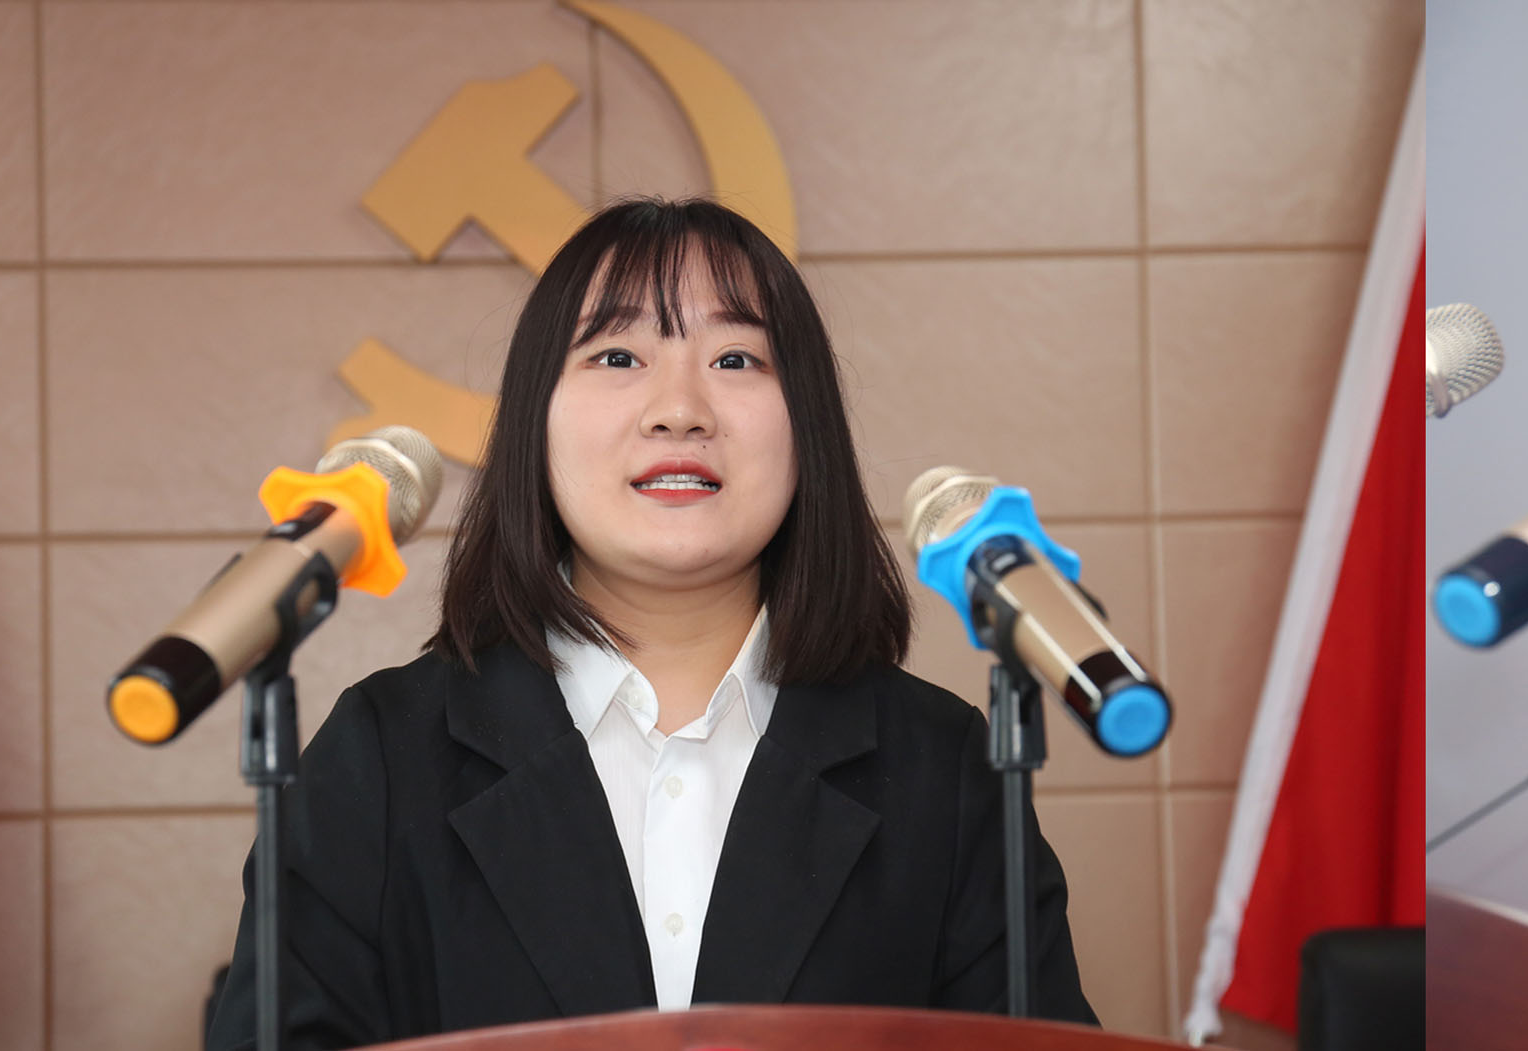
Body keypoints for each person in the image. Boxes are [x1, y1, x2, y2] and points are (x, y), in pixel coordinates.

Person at [199, 199, 1096, 1049]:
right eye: (617, 355)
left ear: (808, 427)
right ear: (536, 422)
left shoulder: (943, 768)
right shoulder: (384, 755)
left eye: (736, 359)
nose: (679, 409)